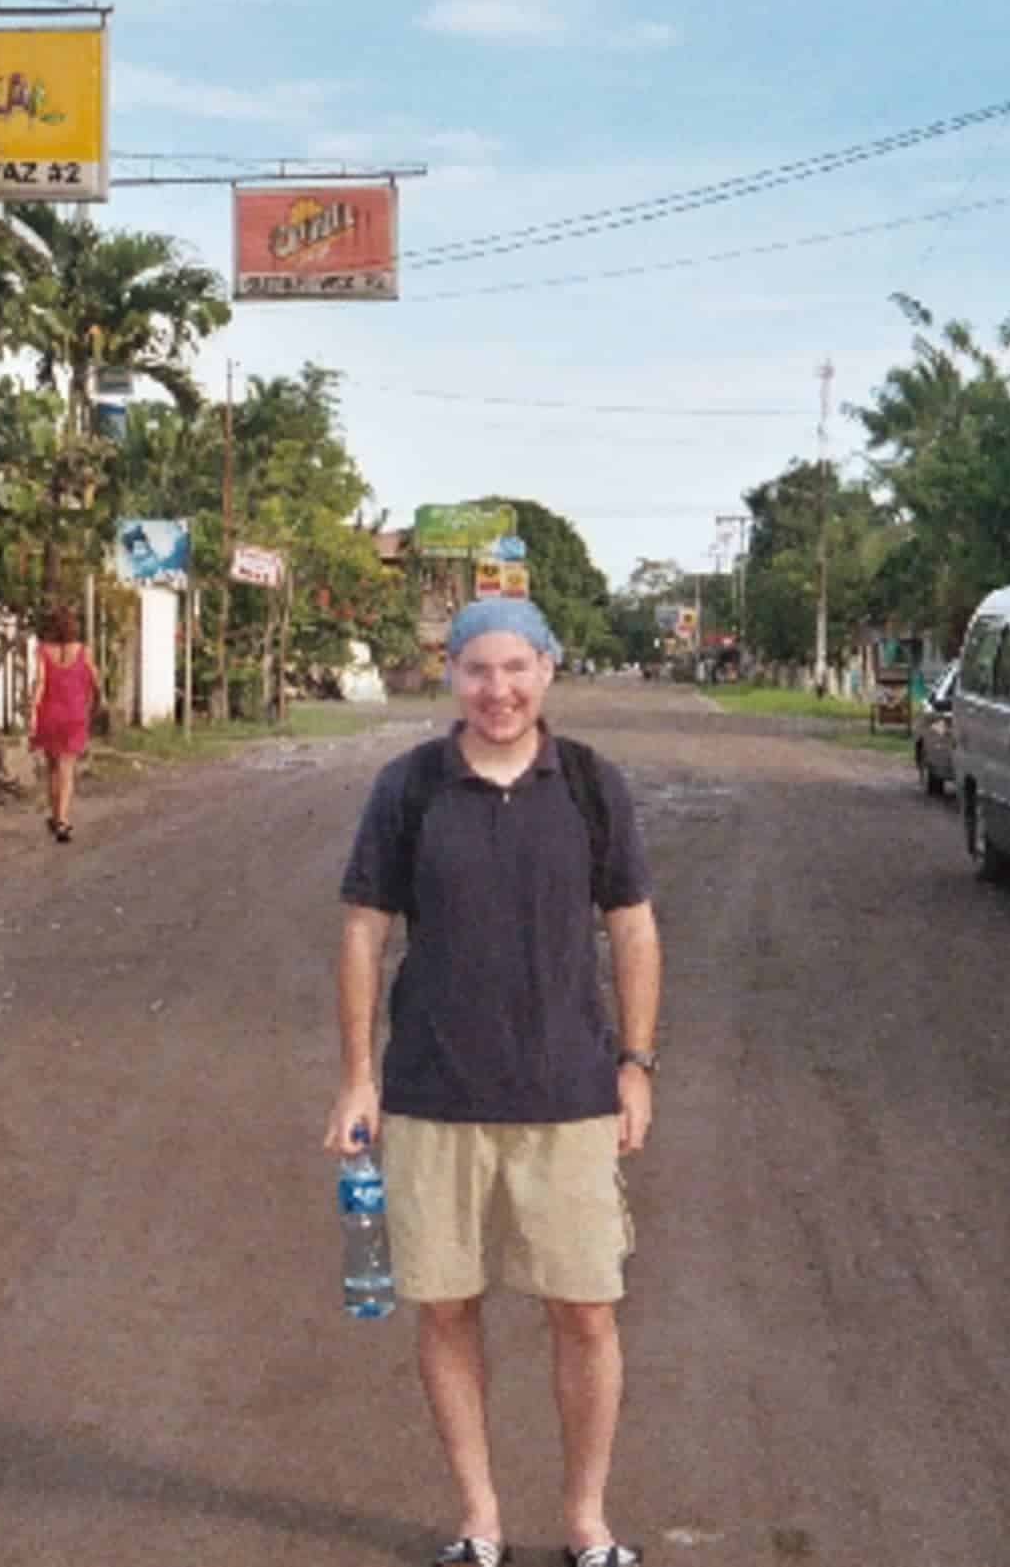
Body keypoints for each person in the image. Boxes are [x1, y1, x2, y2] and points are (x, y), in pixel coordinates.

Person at [326, 596, 662, 1567]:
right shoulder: (409, 787)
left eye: (516, 668)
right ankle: (479, 1520)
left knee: (586, 1311)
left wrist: (634, 1065)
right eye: (477, 669)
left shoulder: (592, 787)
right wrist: (357, 1079)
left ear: (548, 671)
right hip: (434, 1093)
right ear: (451, 676)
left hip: (569, 1096)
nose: (498, 689)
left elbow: (632, 926)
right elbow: (362, 929)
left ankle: (586, 1521)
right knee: (444, 1306)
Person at [29, 606, 101, 843]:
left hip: (50, 714)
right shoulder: (83, 651)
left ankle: (55, 816)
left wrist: (32, 713)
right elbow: (95, 679)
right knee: (67, 770)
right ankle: (63, 820)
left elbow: (39, 683)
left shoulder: (42, 651)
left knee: (52, 768)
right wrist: (95, 701)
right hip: (74, 715)